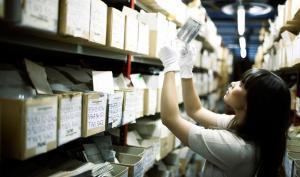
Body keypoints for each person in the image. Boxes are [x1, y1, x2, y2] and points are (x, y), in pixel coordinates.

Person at [158, 45, 291, 177]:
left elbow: (170, 119)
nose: (234, 83)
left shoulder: (236, 147)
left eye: (242, 85)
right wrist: (186, 71)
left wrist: (170, 67)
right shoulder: (244, 125)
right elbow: (195, 110)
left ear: (255, 102)